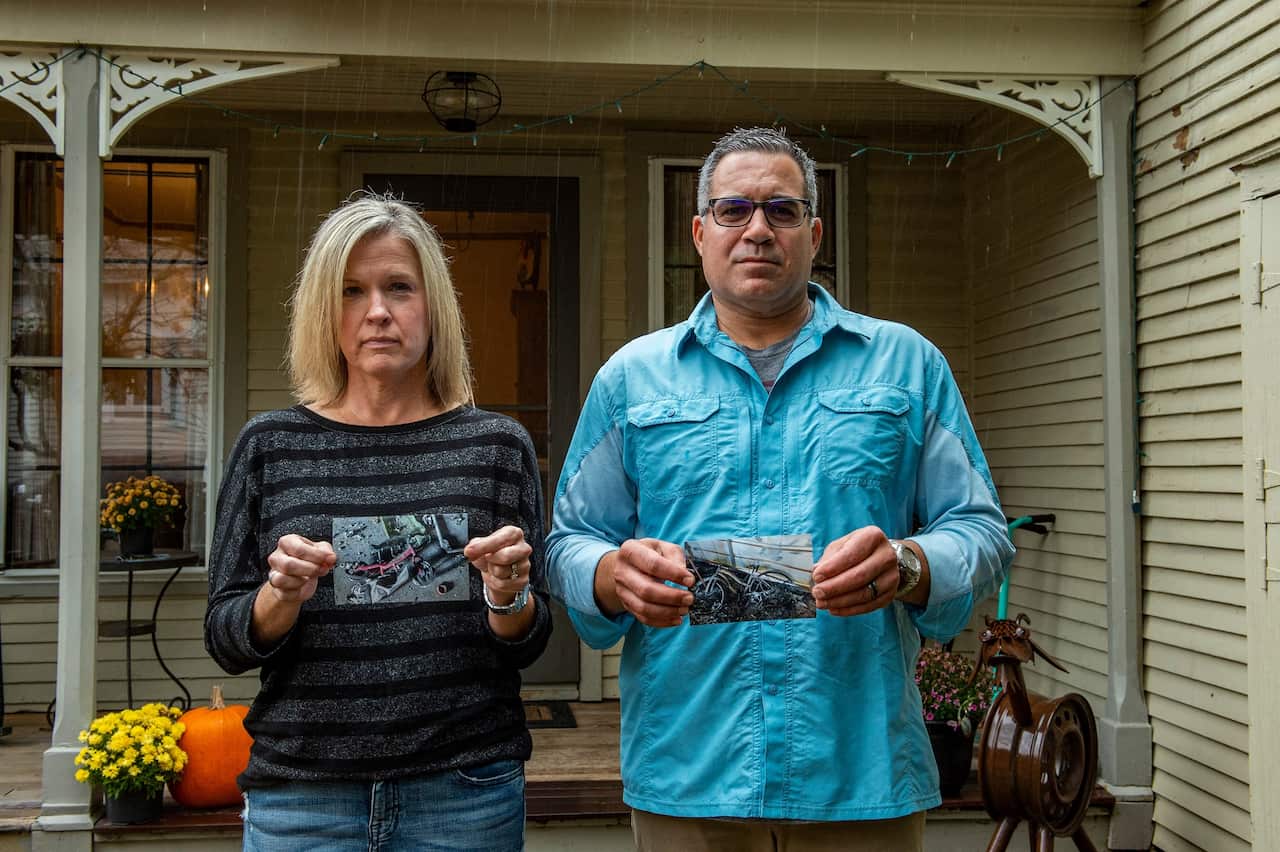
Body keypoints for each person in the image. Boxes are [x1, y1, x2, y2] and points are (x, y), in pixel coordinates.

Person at [546, 127, 1014, 851]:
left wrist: (912, 564)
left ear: (815, 233)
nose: (757, 229)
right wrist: (609, 575)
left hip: (857, 770)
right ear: (699, 233)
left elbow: (981, 528)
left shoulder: (906, 367)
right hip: (689, 767)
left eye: (782, 211)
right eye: (733, 210)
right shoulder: (630, 380)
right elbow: (568, 542)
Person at [205, 192, 551, 852]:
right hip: (303, 796)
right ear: (322, 311)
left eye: (399, 287)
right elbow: (225, 637)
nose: (378, 312)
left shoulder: (496, 446)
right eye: (352, 291)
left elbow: (529, 641)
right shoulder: (270, 445)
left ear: (434, 306)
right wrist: (279, 597)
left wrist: (509, 595)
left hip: (464, 791)